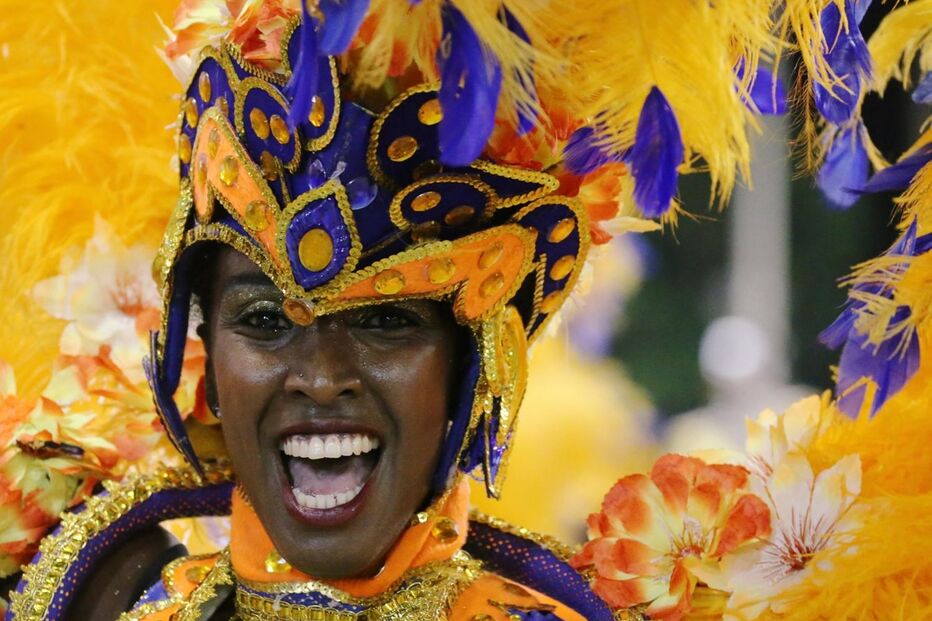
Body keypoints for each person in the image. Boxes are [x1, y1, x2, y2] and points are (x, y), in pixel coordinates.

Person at [6, 0, 924, 620]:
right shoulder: (89, 584)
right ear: (203, 346)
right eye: (264, 320)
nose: (319, 375)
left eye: (388, 320)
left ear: (479, 359)